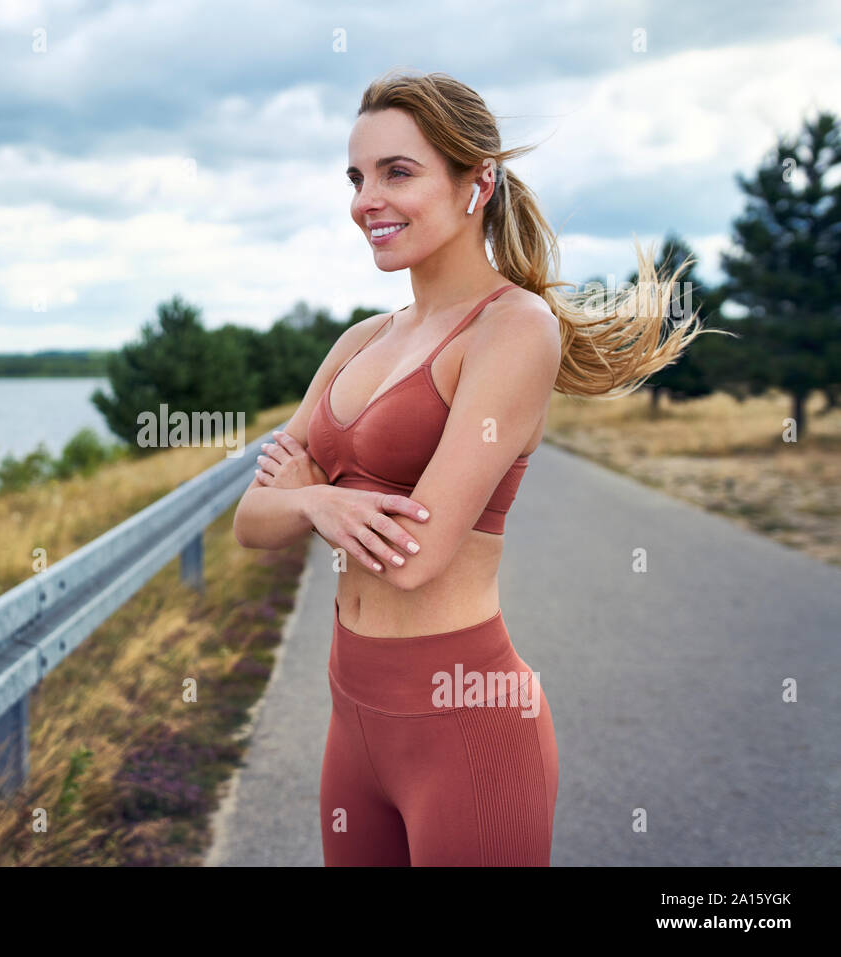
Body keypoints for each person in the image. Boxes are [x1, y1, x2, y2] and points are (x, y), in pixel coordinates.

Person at [232, 70, 719, 866]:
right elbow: (252, 525)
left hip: (467, 727)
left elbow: (416, 554)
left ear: (476, 183)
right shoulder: (357, 341)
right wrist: (320, 504)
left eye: (398, 172)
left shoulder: (513, 329)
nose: (366, 200)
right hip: (351, 722)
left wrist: (309, 493)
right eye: (356, 178)